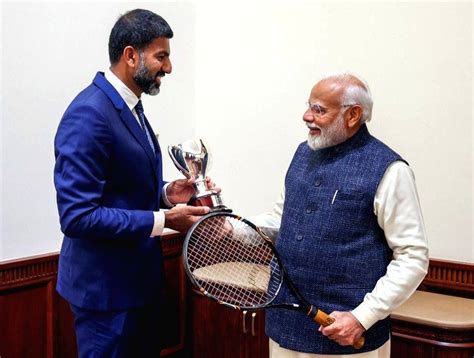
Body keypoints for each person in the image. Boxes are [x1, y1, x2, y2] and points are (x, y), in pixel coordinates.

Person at [53, 9, 213, 357]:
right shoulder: (89, 114)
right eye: (161, 56)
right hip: (105, 298)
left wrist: (169, 194)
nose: (168, 68)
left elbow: (122, 188)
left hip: (139, 289)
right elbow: (77, 216)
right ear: (130, 56)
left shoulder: (131, 108)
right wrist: (165, 220)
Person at [250, 73, 429, 357]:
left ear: (353, 115)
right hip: (285, 326)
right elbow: (282, 220)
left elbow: (413, 257)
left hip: (348, 337)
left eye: (319, 109)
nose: (306, 116)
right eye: (309, 106)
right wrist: (232, 229)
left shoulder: (391, 169)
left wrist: (362, 317)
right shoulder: (302, 153)